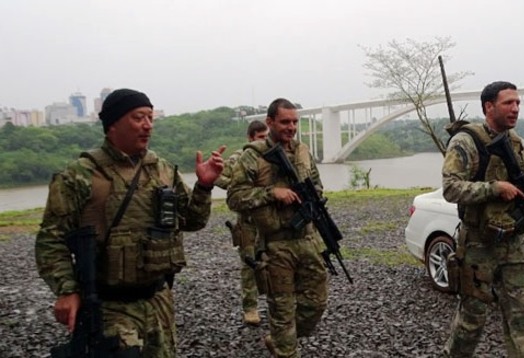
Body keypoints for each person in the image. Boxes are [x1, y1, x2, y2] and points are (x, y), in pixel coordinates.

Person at [35, 88, 225, 357]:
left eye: (150, 118)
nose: (147, 125)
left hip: (159, 301)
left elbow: (192, 221)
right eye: (138, 118)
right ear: (113, 124)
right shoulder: (80, 175)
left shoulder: (161, 169)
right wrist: (66, 290)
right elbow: (50, 240)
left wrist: (204, 186)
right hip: (109, 305)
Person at [441, 81, 524, 357]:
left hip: (514, 245)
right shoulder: (466, 142)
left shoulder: (520, 146)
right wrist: (494, 188)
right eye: (508, 103)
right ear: (489, 107)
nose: (515, 109)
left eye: (518, 103)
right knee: (471, 321)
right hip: (478, 245)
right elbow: (451, 189)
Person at [227, 98, 328, 358]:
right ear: (270, 122)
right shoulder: (253, 156)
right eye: (285, 121)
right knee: (282, 311)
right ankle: (284, 345)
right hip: (275, 246)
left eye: (295, 121)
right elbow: (235, 197)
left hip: (307, 239)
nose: (291, 127)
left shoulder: (303, 151)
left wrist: (312, 198)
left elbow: (317, 185)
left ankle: (282, 338)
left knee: (316, 303)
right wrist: (273, 193)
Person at [214, 120, 269, 325]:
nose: (264, 141)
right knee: (249, 264)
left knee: (275, 261)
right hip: (247, 220)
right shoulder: (240, 158)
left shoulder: (273, 156)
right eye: (260, 138)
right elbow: (218, 177)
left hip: (270, 219)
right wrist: (240, 188)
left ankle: (276, 304)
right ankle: (250, 308)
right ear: (251, 138)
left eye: (266, 137)